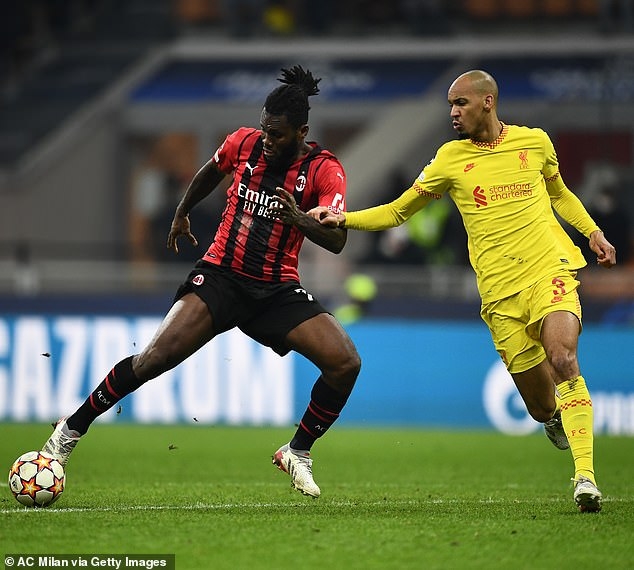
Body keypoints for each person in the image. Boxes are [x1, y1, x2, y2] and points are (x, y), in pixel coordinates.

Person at [302, 70, 616, 513]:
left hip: (549, 270)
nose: (452, 112)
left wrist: (593, 232)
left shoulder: (535, 142)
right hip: (500, 295)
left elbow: (560, 193)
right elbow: (398, 212)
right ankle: (553, 418)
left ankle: (585, 478)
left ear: (488, 102)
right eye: (450, 104)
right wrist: (344, 218)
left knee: (563, 359)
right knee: (542, 406)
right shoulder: (449, 159)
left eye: (460, 103)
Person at [41, 65, 361, 499]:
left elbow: (338, 240)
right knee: (154, 358)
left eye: (278, 134)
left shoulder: (325, 170)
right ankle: (70, 430)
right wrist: (182, 210)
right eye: (265, 130)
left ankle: (297, 451)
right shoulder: (243, 143)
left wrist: (299, 218)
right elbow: (213, 169)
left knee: (345, 363)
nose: (267, 140)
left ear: (302, 132)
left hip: (276, 289)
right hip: (220, 277)